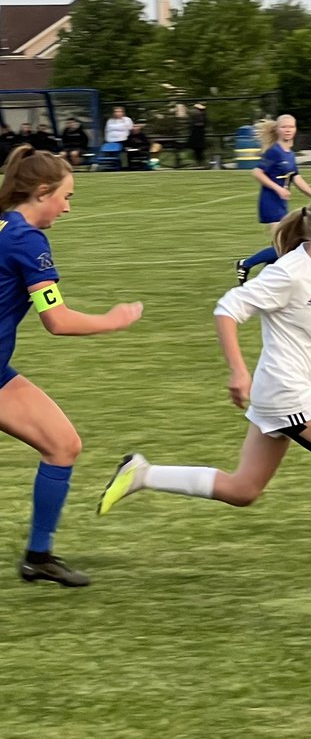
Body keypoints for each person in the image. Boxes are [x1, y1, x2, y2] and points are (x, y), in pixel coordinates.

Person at [97, 192, 311, 594]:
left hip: (292, 391)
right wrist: (237, 370)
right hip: (287, 392)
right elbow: (227, 309)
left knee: (243, 489)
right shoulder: (290, 273)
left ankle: (142, 474)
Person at [0, 145, 143, 586]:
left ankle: (38, 556)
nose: (67, 207)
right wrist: (112, 320)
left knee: (62, 445)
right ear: (42, 192)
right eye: (66, 196)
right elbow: (57, 321)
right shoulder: (25, 239)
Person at [234, 115, 311, 285]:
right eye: (284, 127)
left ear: (295, 130)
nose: (288, 130)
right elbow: (257, 172)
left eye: (291, 127)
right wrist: (278, 188)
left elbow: (296, 178)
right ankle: (245, 264)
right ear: (277, 129)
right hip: (270, 202)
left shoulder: (289, 154)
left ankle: (263, 282)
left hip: (281, 204)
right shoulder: (275, 151)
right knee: (283, 247)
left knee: (283, 247)